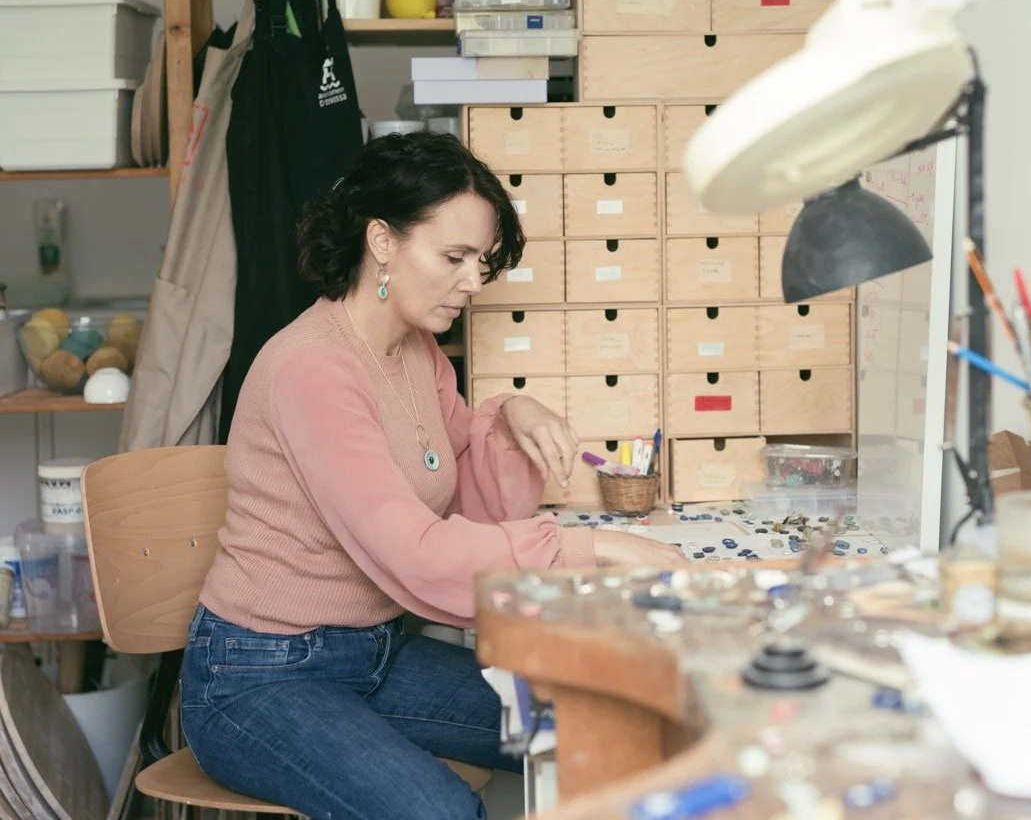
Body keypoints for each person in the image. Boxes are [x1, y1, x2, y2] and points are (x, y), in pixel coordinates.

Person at [180, 133, 685, 820]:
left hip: (377, 655)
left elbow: (467, 498)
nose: (475, 281)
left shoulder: (417, 352)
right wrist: (595, 549)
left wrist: (512, 415)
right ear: (382, 241)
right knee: (441, 814)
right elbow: (416, 554)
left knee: (620, 725)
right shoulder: (310, 369)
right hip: (256, 677)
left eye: (481, 261)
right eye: (455, 258)